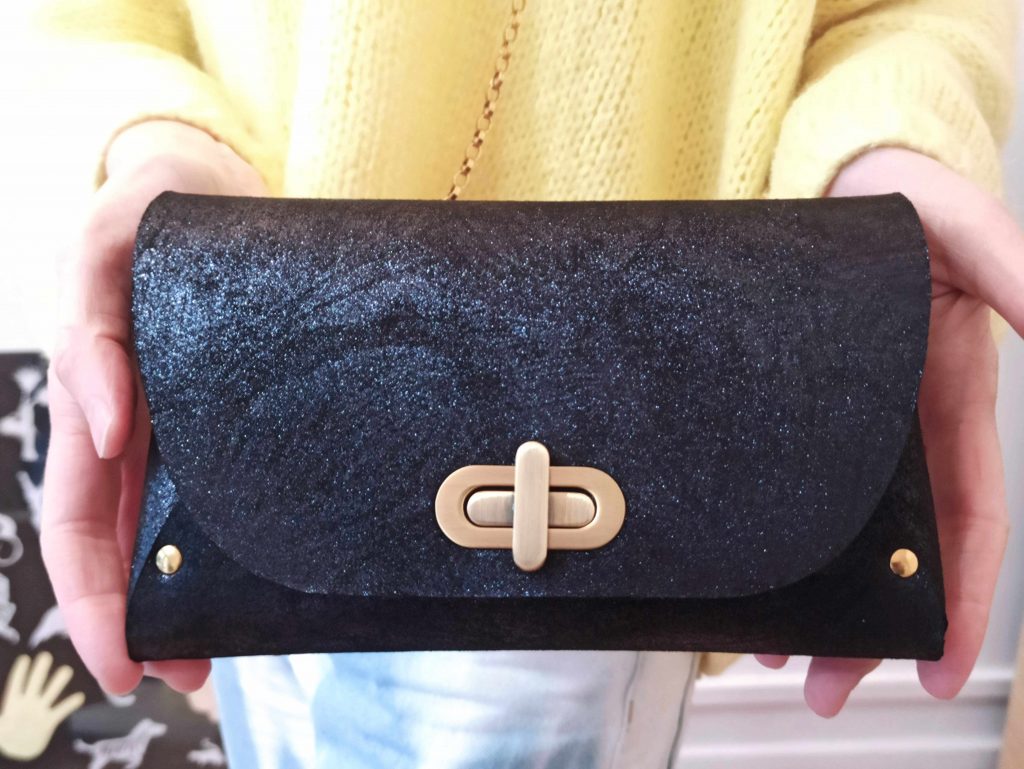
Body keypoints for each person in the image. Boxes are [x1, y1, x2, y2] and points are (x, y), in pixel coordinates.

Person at [25, 1, 1023, 767]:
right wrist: (156, 152)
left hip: (690, 436)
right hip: (271, 418)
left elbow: (903, 15)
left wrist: (885, 152)